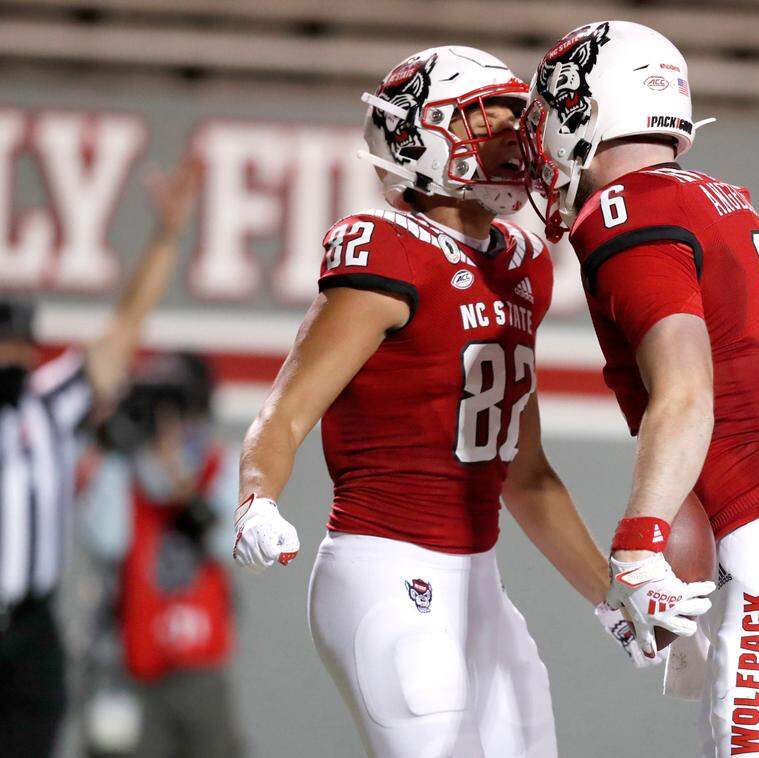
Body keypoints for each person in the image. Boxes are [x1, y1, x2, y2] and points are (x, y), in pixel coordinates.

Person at [232, 46, 653, 758]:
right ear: (418, 134)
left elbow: (525, 473)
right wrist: (255, 499)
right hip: (384, 570)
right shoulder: (387, 251)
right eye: (485, 117)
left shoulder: (521, 267)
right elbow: (286, 410)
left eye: (516, 119)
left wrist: (609, 597)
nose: (511, 138)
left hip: (477, 580)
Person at [521, 21, 759, 757]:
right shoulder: (716, 198)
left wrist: (638, 545)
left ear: (590, 107)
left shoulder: (628, 212)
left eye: (556, 107)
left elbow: (687, 392)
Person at [0, 160, 198, 757]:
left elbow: (122, 331)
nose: (13, 358)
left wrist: (166, 238)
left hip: (32, 625)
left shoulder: (50, 406)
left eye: (20, 347)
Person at [80, 352, 243, 757]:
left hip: (198, 662)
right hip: (129, 663)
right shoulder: (121, 467)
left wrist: (177, 472)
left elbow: (225, 542)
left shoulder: (219, 465)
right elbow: (108, 541)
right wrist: (116, 451)